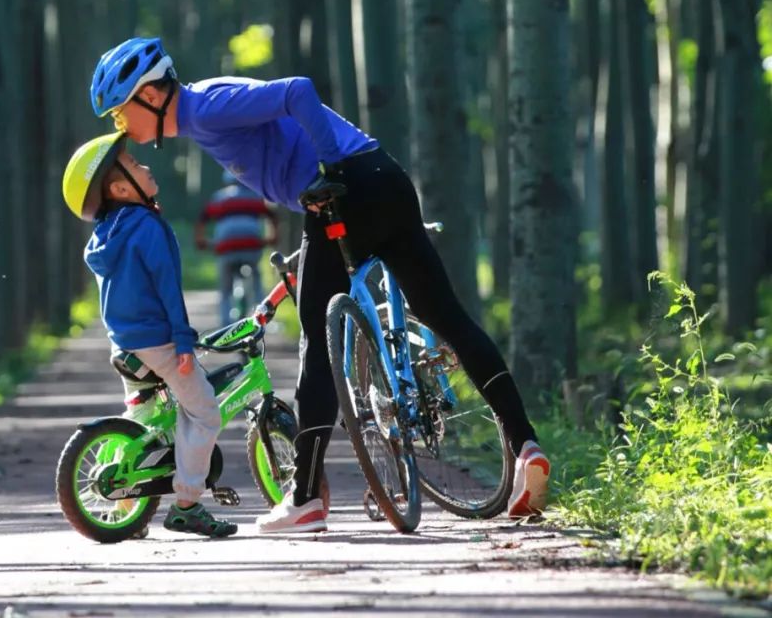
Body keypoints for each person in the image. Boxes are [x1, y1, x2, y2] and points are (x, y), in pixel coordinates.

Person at [89, 36, 551, 536]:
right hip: (384, 177)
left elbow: (297, 91)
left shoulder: (205, 107)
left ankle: (305, 497)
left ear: (151, 97)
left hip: (341, 193)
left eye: (119, 113)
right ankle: (525, 445)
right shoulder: (205, 112)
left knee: (317, 347)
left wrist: (329, 168)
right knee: (448, 316)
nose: (122, 128)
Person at [61, 133, 237, 539]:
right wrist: (184, 340)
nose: (146, 167)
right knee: (205, 411)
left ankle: (128, 508)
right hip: (158, 343)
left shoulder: (106, 233)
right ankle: (189, 504)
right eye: (136, 165)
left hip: (124, 345)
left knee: (144, 422)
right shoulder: (147, 227)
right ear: (121, 188)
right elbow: (166, 289)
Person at [195, 169, 277, 327]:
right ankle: (262, 317)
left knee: (225, 289)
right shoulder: (255, 197)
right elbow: (272, 217)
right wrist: (273, 237)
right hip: (251, 246)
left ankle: (226, 325)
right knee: (256, 281)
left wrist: (201, 240)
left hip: (226, 248)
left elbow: (202, 219)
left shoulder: (219, 197)